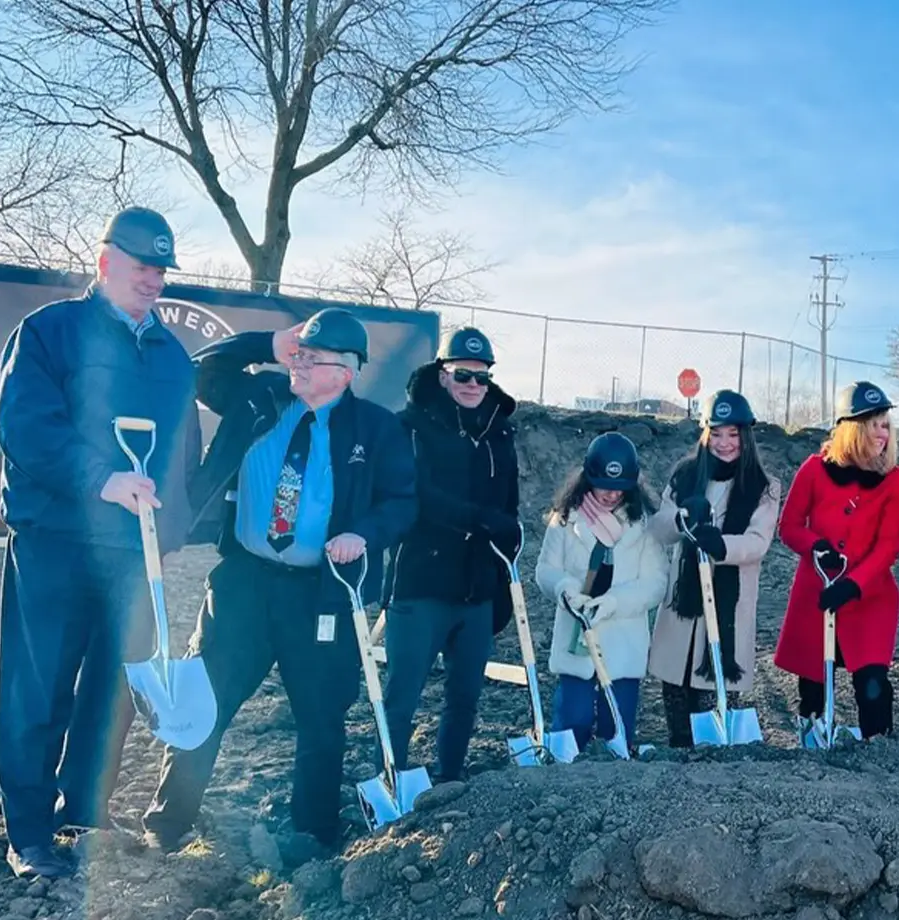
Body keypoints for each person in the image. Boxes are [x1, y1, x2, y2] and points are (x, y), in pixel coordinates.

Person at [140, 307, 417, 853]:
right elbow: (203, 371)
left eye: (314, 359)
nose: (301, 364)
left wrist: (363, 534)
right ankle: (168, 823)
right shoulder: (260, 398)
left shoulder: (377, 429)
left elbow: (402, 501)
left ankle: (313, 833)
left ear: (348, 370)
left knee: (321, 715)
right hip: (242, 583)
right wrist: (269, 341)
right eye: (299, 354)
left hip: (320, 593)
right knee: (206, 699)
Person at [0, 207, 200, 878]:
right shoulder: (49, 333)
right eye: (143, 266)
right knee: (39, 687)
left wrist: (168, 533)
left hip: (130, 555)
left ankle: (83, 814)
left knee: (110, 691)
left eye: (162, 270)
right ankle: (27, 832)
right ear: (106, 260)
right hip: (56, 539)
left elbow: (180, 452)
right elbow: (25, 426)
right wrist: (102, 479)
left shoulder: (170, 355)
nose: (154, 280)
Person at [380, 326, 521, 783]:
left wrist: (502, 566)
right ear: (443, 374)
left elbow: (509, 506)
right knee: (403, 694)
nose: (473, 386)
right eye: (463, 374)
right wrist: (481, 519)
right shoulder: (411, 426)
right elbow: (417, 496)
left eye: (482, 377)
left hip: (477, 588)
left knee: (465, 695)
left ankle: (450, 777)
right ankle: (390, 777)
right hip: (422, 582)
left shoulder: (501, 435)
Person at [773, 381, 899, 741]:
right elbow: (788, 526)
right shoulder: (814, 470)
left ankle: (878, 745)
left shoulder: (895, 480)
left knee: (872, 682)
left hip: (869, 596)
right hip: (818, 590)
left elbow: (889, 545)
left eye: (886, 425)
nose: (882, 434)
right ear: (852, 430)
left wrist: (854, 583)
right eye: (873, 426)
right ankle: (813, 738)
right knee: (815, 677)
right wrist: (814, 545)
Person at [647, 389, 782, 747]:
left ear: (746, 436)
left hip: (728, 607)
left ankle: (715, 768)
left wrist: (720, 545)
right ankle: (679, 755)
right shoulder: (685, 475)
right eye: (716, 433)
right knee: (677, 696)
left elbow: (757, 542)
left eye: (733, 434)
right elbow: (658, 528)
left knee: (715, 697)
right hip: (683, 606)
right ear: (706, 434)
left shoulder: (764, 487)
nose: (724, 443)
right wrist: (681, 517)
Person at [534, 432, 667, 752]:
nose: (610, 495)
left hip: (623, 641)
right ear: (586, 479)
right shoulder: (565, 520)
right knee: (572, 721)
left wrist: (614, 603)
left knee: (616, 727)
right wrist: (566, 590)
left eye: (619, 489)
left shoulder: (644, 526)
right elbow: (545, 571)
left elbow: (655, 583)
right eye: (603, 485)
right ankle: (560, 775)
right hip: (576, 640)